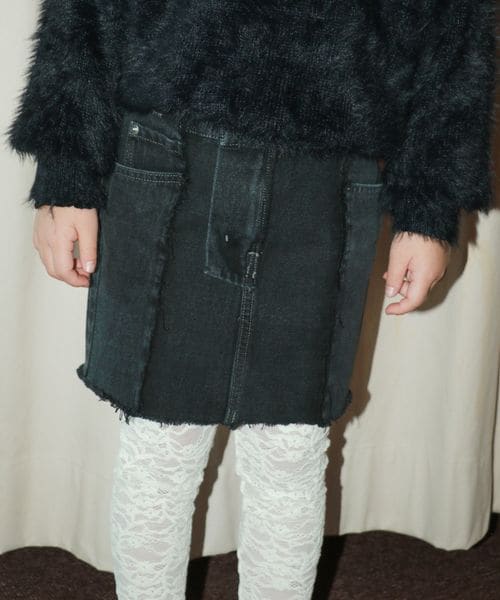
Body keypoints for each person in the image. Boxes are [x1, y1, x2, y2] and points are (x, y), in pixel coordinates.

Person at [7, 2, 496, 599]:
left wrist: (429, 209)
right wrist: (66, 173)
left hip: (328, 178)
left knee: (291, 449)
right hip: (167, 152)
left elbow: (455, 30)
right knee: (162, 446)